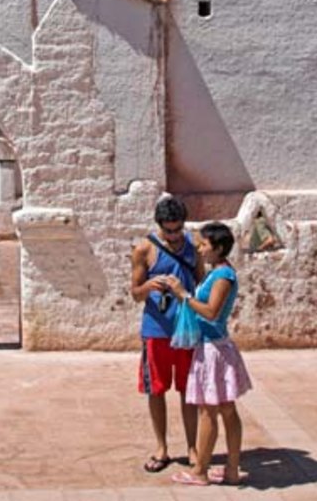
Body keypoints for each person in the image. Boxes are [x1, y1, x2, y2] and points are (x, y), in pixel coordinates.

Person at [165, 221, 252, 487]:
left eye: (204, 244)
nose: (200, 249)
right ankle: (232, 470)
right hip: (216, 347)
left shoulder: (223, 277)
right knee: (227, 409)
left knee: (208, 411)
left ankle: (200, 471)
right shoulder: (219, 273)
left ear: (219, 248)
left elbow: (212, 312)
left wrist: (183, 295)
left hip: (213, 350)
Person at [131, 194, 203, 473]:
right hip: (156, 330)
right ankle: (161, 447)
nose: (173, 236)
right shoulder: (144, 250)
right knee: (156, 390)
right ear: (159, 225)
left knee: (189, 390)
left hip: (186, 330)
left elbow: (201, 283)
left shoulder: (194, 247)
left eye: (177, 230)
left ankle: (192, 447)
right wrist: (149, 285)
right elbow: (135, 293)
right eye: (168, 230)